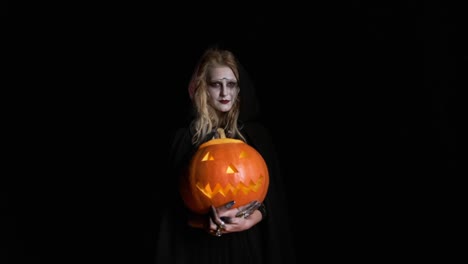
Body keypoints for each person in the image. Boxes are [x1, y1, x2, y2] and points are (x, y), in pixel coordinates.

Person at [155, 46, 296, 264]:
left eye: (231, 84)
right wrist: (203, 223)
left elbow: (273, 200)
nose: (224, 93)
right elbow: (169, 210)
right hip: (198, 249)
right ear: (203, 87)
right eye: (216, 84)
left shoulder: (257, 135)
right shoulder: (185, 138)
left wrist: (253, 218)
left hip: (248, 243)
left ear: (239, 89)